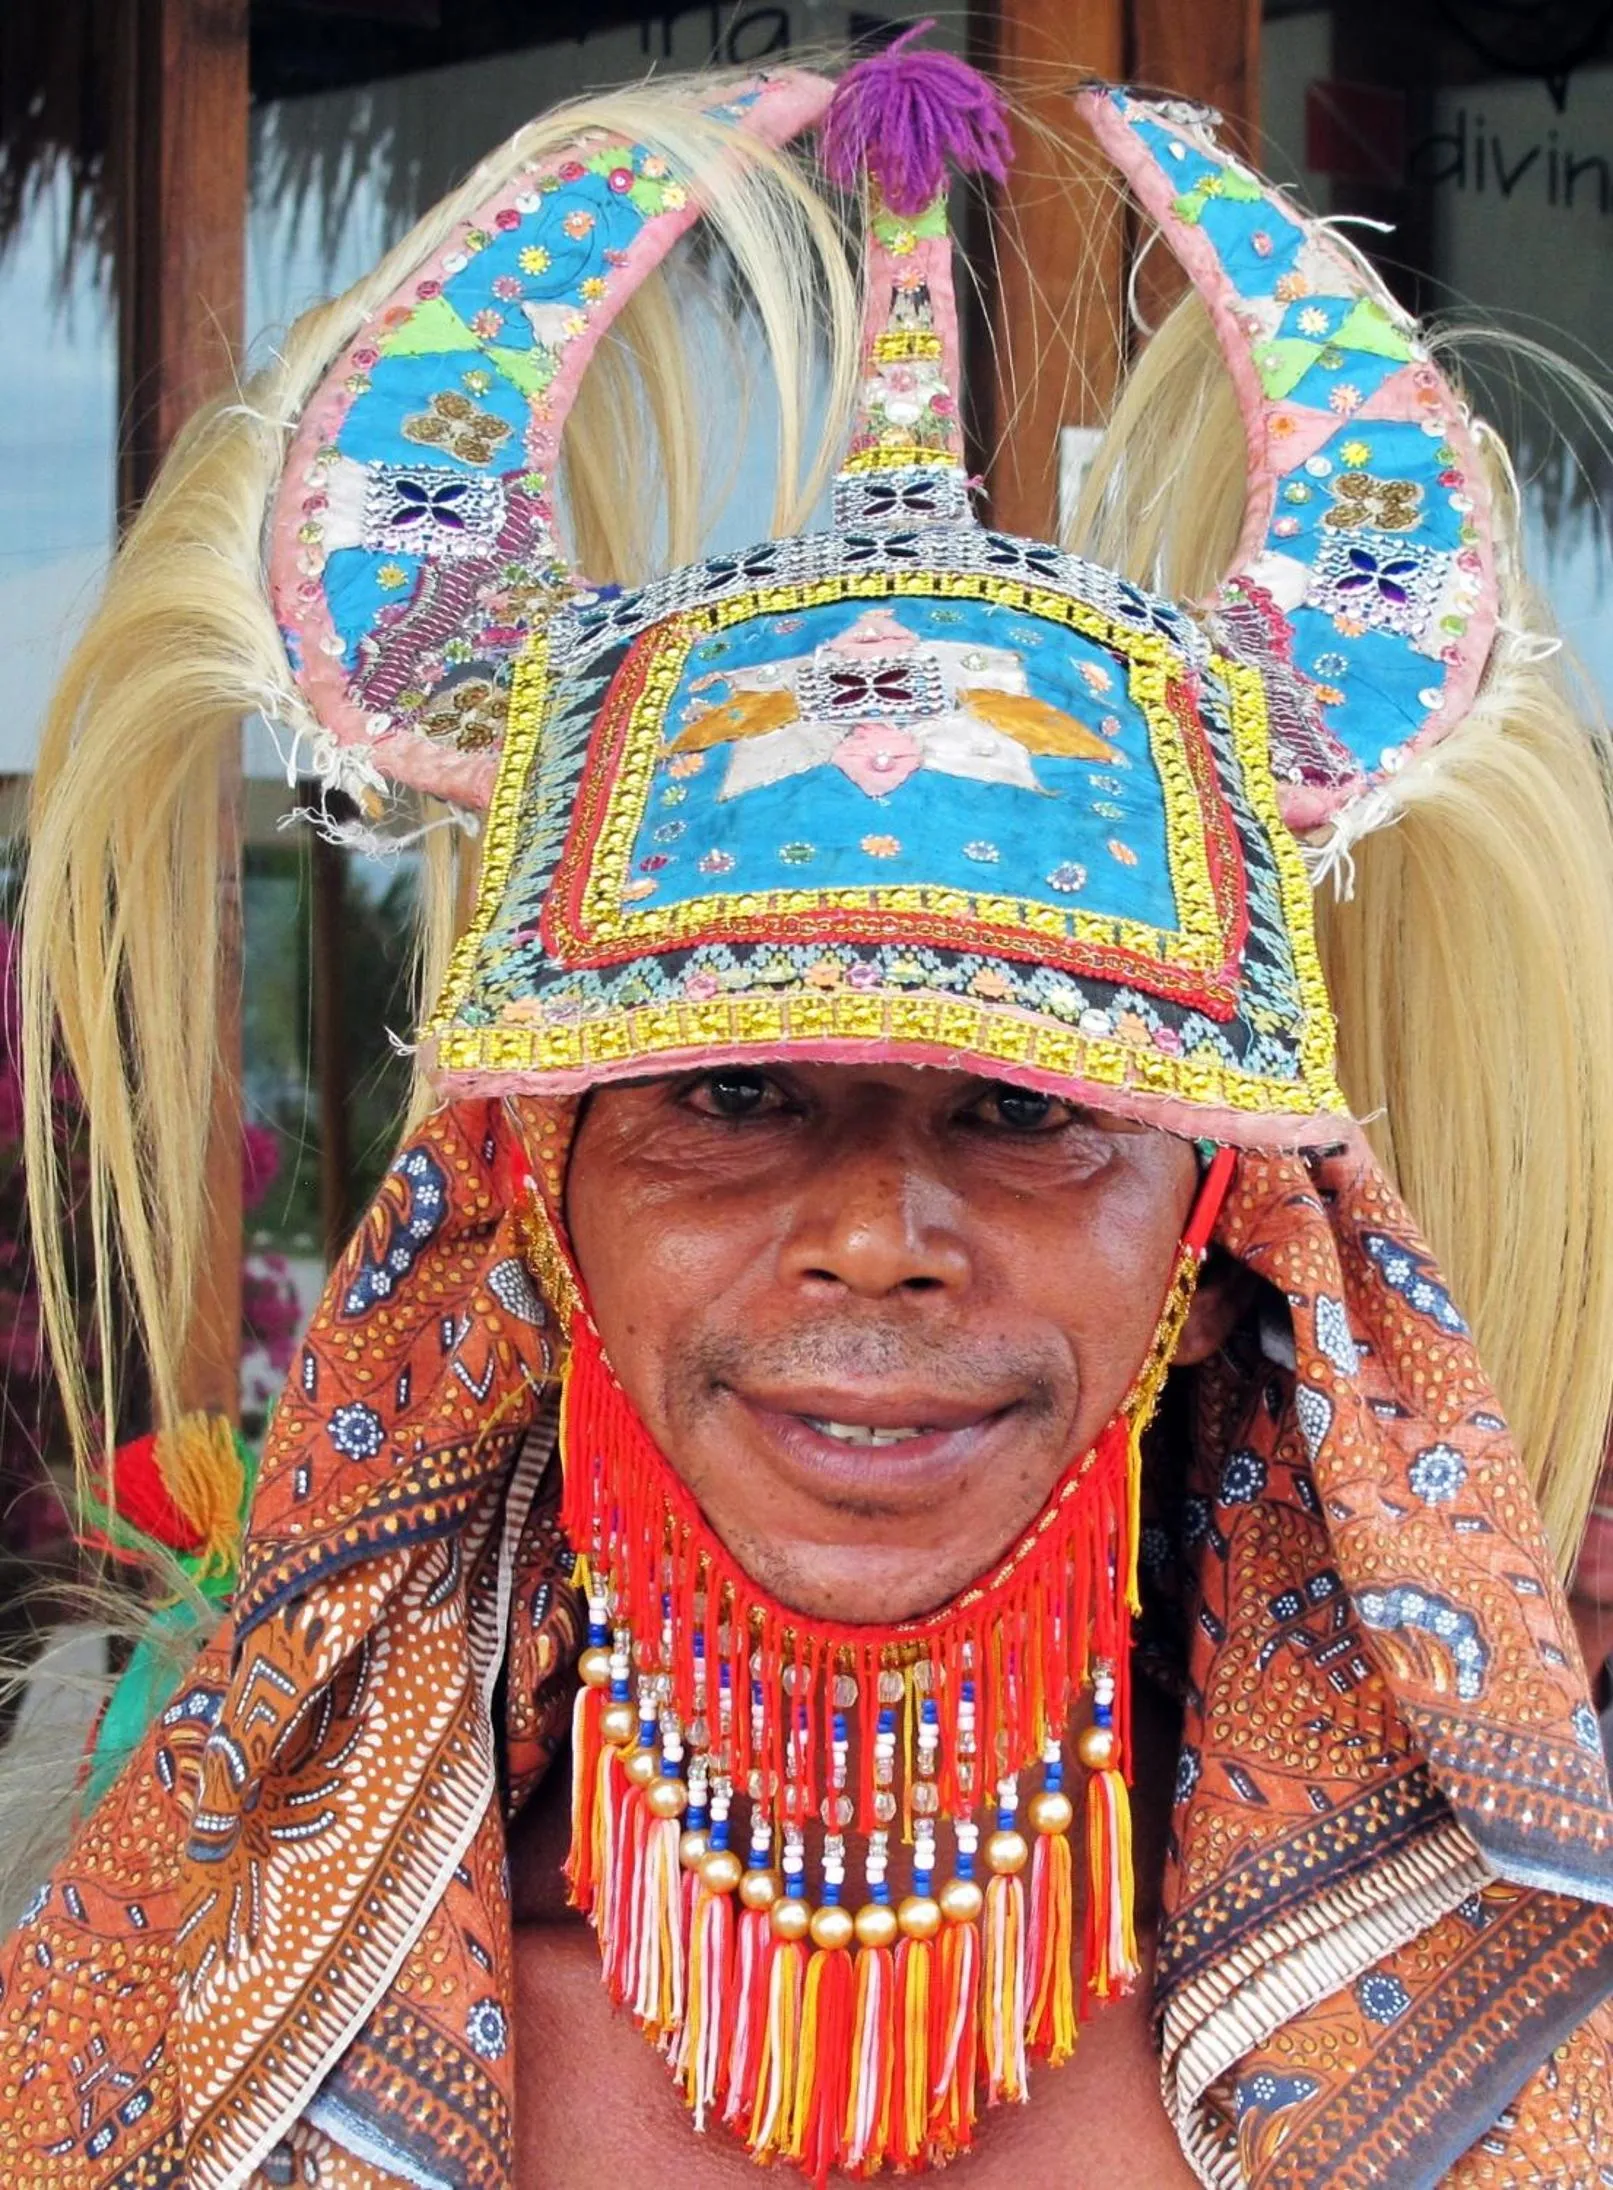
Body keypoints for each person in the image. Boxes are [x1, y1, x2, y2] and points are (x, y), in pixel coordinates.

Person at [5, 37, 1613, 2190]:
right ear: (530, 1199)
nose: (877, 1236)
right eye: (733, 1095)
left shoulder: (1501, 2058)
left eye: (1036, 1109)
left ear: (1221, 1233)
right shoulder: (217, 2032)